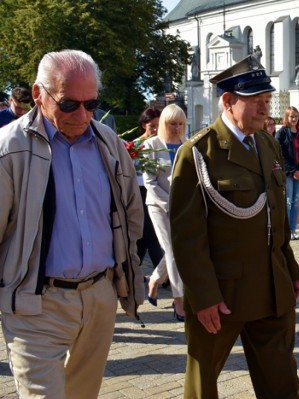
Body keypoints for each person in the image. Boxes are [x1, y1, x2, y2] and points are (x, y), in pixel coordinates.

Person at [0, 49, 144, 398]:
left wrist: (117, 281)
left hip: (99, 298)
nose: (82, 114)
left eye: (91, 104)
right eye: (68, 105)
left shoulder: (109, 144)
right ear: (39, 94)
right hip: (35, 304)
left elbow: (131, 215)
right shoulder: (9, 149)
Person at [170, 55, 299, 399]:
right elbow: (187, 236)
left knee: (283, 383)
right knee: (203, 384)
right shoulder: (199, 152)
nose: (265, 109)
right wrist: (204, 296)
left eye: (267, 100)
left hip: (273, 287)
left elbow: (278, 218)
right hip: (222, 295)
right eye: (256, 101)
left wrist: (291, 268)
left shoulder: (268, 143)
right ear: (228, 101)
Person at [143, 104, 187, 319]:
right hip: (158, 206)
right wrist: (169, 204)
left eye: (180, 123)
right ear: (164, 124)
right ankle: (178, 301)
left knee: (178, 250)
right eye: (172, 123)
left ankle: (154, 279)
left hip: (184, 207)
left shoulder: (188, 146)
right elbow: (149, 182)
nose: (177, 128)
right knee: (172, 251)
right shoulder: (151, 145)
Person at [135, 108, 166, 299]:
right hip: (139, 192)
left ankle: (149, 272)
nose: (155, 129)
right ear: (143, 125)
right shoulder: (135, 146)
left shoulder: (161, 144)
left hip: (157, 192)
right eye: (151, 126)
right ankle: (160, 273)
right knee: (147, 235)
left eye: (157, 125)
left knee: (150, 236)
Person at [275, 106, 299, 240]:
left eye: (296, 116)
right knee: (288, 201)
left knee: (296, 202)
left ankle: (293, 228)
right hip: (288, 173)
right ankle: (287, 231)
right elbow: (280, 154)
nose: (294, 119)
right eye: (291, 117)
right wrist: (293, 170)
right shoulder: (282, 133)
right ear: (287, 118)